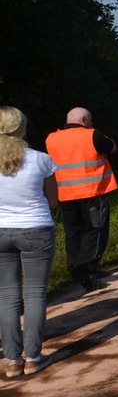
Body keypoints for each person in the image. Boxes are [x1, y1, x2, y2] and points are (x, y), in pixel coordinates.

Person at [0, 107, 58, 376]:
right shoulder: (41, 159)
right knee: (34, 294)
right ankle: (33, 357)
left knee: (6, 296)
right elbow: (54, 200)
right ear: (22, 127)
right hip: (36, 229)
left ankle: (12, 361)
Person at [45, 107, 117, 292]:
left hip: (66, 193)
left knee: (73, 231)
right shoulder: (93, 135)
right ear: (84, 120)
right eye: (90, 121)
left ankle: (75, 268)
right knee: (96, 230)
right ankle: (88, 268)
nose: (91, 124)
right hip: (93, 191)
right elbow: (112, 147)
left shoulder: (51, 138)